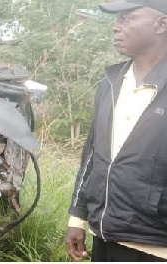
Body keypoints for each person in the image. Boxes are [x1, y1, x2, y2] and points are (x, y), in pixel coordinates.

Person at [65, 0, 167, 262]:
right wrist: (78, 217)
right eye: (117, 19)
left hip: (154, 244)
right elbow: (92, 153)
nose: (116, 27)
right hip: (104, 234)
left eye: (127, 18)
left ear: (161, 24)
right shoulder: (111, 82)